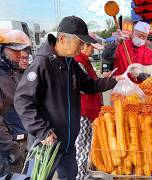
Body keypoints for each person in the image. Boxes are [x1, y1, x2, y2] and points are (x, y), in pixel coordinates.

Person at [14, 16, 121, 180]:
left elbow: (89, 85)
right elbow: (23, 101)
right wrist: (43, 131)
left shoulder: (70, 63)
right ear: (63, 38)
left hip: (68, 142)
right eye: (81, 42)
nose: (83, 47)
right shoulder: (41, 64)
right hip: (47, 144)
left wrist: (114, 81)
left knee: (70, 176)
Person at [0, 29, 31, 176]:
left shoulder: (14, 73)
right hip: (7, 149)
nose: (19, 56)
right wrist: (11, 148)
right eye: (14, 51)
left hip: (22, 140)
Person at [74, 32, 104, 179]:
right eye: (90, 46)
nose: (93, 50)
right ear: (82, 46)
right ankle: (81, 176)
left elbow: (92, 81)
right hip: (84, 112)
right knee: (82, 148)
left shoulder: (85, 61)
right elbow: (88, 86)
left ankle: (86, 174)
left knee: (88, 146)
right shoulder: (78, 62)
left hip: (90, 111)